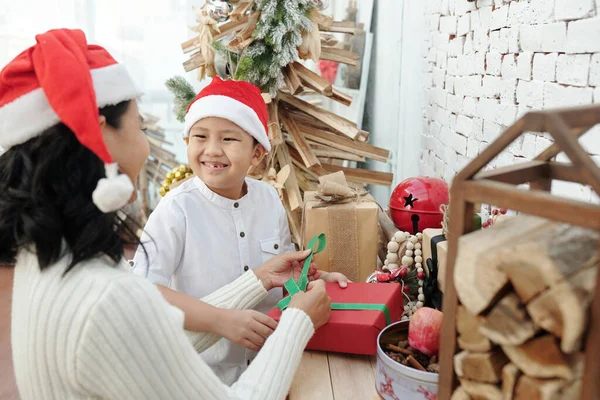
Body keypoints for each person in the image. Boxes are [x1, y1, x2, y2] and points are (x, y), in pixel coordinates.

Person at [0, 28, 331, 400]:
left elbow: (150, 346)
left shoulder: (42, 256)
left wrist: (256, 280)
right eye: (140, 124)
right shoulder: (107, 296)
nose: (210, 149)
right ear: (101, 135)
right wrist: (299, 322)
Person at [131, 76, 348, 384]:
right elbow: (144, 290)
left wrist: (314, 280)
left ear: (257, 153)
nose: (212, 150)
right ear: (187, 143)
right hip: (202, 377)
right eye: (200, 137)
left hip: (270, 367)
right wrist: (221, 321)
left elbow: (283, 273)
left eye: (229, 139)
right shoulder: (176, 209)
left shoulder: (269, 198)